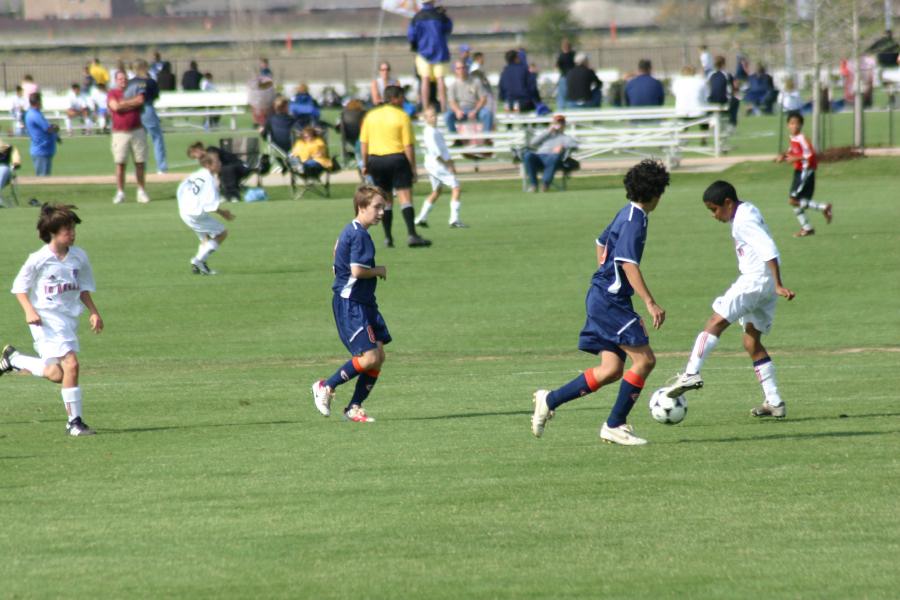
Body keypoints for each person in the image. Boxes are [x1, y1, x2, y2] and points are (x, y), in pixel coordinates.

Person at [531, 160, 671, 445]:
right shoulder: (635, 219)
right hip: (609, 301)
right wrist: (650, 302)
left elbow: (600, 241)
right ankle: (614, 424)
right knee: (645, 360)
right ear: (656, 193)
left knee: (611, 370)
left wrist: (605, 275)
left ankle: (550, 399)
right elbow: (628, 263)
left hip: (603, 296)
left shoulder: (627, 212)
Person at [664, 180, 796, 419]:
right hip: (764, 286)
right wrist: (773, 284)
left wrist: (777, 284)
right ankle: (774, 401)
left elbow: (769, 249)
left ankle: (691, 372)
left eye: (714, 209)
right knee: (751, 342)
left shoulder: (743, 221)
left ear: (728, 203)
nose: (714, 215)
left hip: (755, 282)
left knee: (715, 322)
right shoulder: (748, 210)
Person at [0, 203, 103, 437]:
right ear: (53, 233)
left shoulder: (79, 257)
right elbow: (19, 288)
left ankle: (14, 359)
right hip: (45, 320)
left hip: (68, 319)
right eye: (67, 230)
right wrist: (29, 310)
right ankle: (74, 423)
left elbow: (83, 288)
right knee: (72, 364)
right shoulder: (38, 259)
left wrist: (94, 312)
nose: (73, 234)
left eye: (74, 230)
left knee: (56, 374)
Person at [311, 185, 391, 424]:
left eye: (383, 208)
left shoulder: (350, 230)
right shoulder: (359, 234)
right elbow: (357, 270)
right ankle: (326, 385)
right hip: (352, 304)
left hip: (365, 303)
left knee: (378, 356)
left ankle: (354, 407)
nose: (381, 213)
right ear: (361, 206)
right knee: (368, 358)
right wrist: (379, 270)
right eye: (377, 207)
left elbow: (337, 254)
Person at [360, 85, 431, 248]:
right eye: (401, 98)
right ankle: (412, 235)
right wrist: (413, 168)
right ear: (394, 99)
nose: (403, 101)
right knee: (405, 197)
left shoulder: (370, 116)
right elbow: (408, 145)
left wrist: (365, 164)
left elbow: (364, 142)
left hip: (376, 160)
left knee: (385, 200)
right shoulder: (402, 116)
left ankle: (388, 238)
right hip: (397, 158)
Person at [177, 152, 236, 276]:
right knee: (222, 233)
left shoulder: (197, 174)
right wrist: (223, 213)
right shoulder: (209, 179)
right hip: (195, 212)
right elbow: (211, 205)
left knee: (205, 239)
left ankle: (202, 267)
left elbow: (181, 189)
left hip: (185, 210)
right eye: (217, 162)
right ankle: (197, 260)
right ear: (209, 165)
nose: (220, 164)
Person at [775, 112, 832, 238]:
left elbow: (809, 154)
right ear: (788, 125)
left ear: (801, 125)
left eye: (797, 123)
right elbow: (792, 151)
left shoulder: (802, 138)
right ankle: (807, 228)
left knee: (793, 200)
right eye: (791, 123)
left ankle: (824, 207)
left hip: (805, 171)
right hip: (799, 171)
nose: (794, 126)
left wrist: (795, 159)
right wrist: (783, 156)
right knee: (796, 201)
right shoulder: (793, 138)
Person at [416, 107, 465, 228]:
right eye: (431, 116)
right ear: (426, 118)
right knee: (456, 187)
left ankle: (421, 218)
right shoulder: (430, 132)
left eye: (435, 115)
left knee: (437, 191)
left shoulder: (434, 130)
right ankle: (454, 219)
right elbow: (437, 153)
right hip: (437, 165)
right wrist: (448, 164)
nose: (434, 117)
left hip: (433, 165)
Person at [108, 70, 149, 204]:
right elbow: (116, 107)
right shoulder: (112, 93)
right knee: (120, 163)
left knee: (140, 162)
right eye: (120, 79)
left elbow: (140, 100)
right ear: (116, 80)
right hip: (120, 133)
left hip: (137, 130)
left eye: (125, 79)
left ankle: (141, 191)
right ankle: (120, 192)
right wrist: (131, 103)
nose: (123, 81)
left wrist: (123, 103)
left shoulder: (135, 90)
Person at [408, 0, 453, 111]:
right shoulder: (440, 16)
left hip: (423, 53)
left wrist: (415, 45)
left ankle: (425, 107)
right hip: (440, 52)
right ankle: (443, 107)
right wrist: (444, 15)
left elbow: (411, 35)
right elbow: (449, 28)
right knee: (440, 80)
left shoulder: (417, 17)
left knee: (425, 80)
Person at [126, 59, 168, 174]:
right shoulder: (150, 81)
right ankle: (161, 167)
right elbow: (156, 96)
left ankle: (139, 168)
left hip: (135, 110)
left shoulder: (131, 82)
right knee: (157, 138)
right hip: (148, 108)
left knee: (138, 141)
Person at [522, 115, 578, 192]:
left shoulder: (565, 138)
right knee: (528, 155)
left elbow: (574, 146)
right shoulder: (546, 135)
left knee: (554, 157)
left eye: (561, 123)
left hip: (553, 158)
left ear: (564, 125)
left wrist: (563, 147)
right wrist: (548, 131)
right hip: (539, 157)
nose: (558, 125)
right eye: (556, 123)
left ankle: (545, 184)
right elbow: (533, 142)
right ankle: (533, 185)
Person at [445, 60, 492, 133]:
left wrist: (475, 110)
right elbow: (451, 102)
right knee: (448, 116)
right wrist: (457, 111)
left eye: (463, 68)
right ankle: (455, 139)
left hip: (475, 110)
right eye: (458, 68)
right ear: (455, 70)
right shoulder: (452, 85)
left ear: (467, 68)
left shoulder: (476, 81)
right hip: (460, 111)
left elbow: (483, 99)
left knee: (487, 114)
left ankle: (486, 138)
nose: (461, 70)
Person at [24, 93, 59, 177]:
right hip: (41, 150)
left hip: (44, 150)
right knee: (42, 178)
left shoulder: (35, 113)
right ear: (38, 102)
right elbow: (48, 129)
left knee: (45, 177)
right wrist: (56, 128)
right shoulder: (35, 115)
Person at [707, 55, 738, 129]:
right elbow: (732, 89)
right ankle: (732, 123)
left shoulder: (710, 74)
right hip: (723, 99)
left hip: (711, 100)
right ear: (724, 64)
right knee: (736, 100)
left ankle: (712, 119)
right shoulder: (727, 75)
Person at [0, 138, 21, 207]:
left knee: (3, 169)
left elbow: (16, 161)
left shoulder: (10, 148)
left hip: (4, 168)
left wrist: (15, 164)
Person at [556, 38, 576, 109]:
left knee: (561, 96)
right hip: (572, 77)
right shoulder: (573, 54)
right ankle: (572, 110)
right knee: (571, 96)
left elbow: (557, 65)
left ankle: (560, 111)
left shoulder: (561, 56)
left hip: (564, 77)